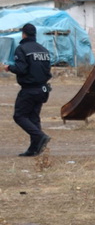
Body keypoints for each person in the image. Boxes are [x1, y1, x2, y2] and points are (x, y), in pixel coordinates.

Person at [3, 23, 52, 157]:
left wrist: (9, 67)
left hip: (29, 89)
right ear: (34, 34)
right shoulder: (43, 50)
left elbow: (21, 69)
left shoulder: (22, 49)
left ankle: (40, 136)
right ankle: (34, 149)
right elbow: (47, 70)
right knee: (33, 118)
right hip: (43, 89)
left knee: (19, 116)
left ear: (23, 34)